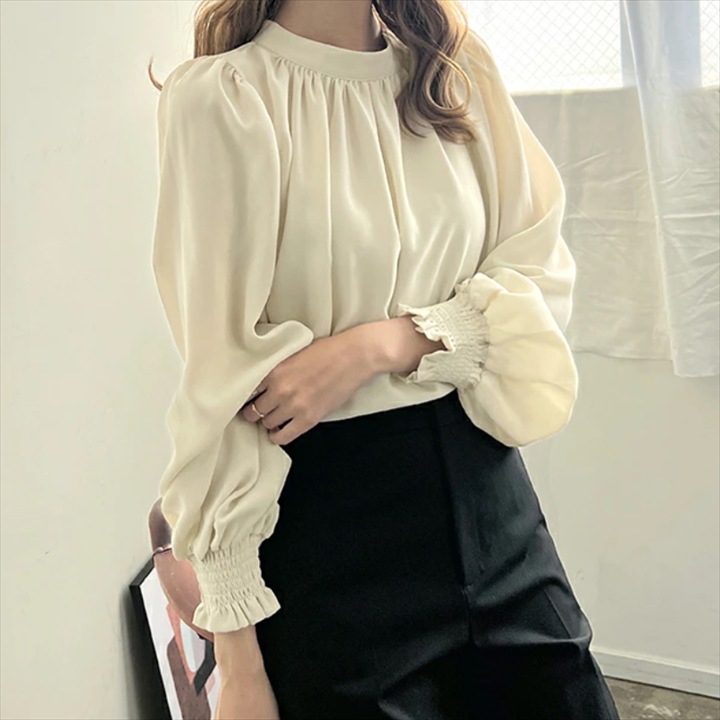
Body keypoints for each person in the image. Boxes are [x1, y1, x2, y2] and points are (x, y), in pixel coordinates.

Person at [148, 0, 622, 718]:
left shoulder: (455, 71)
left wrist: (388, 343)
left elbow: (538, 277)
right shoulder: (224, 99)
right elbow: (221, 389)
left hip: (489, 500)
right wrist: (240, 661)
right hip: (328, 527)